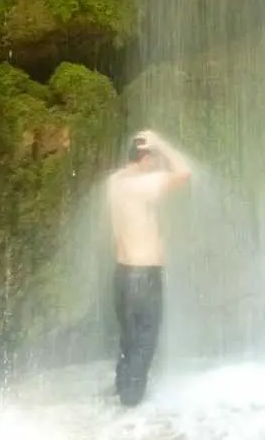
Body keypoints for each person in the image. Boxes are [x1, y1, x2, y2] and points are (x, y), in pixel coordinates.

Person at [106, 128, 192, 406]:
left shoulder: (115, 182)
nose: (156, 166)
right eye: (153, 160)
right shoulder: (140, 185)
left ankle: (121, 394)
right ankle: (130, 408)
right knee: (145, 341)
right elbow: (184, 172)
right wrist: (161, 144)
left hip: (122, 276)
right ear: (144, 158)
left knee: (128, 340)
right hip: (144, 278)